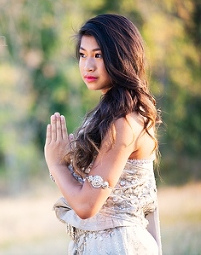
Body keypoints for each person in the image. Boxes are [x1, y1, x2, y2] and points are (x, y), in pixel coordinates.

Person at [44, 14, 162, 254]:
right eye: (82, 55)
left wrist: (57, 165)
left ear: (122, 57)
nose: (88, 65)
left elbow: (87, 206)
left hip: (117, 246)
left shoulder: (123, 122)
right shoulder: (114, 115)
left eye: (98, 55)